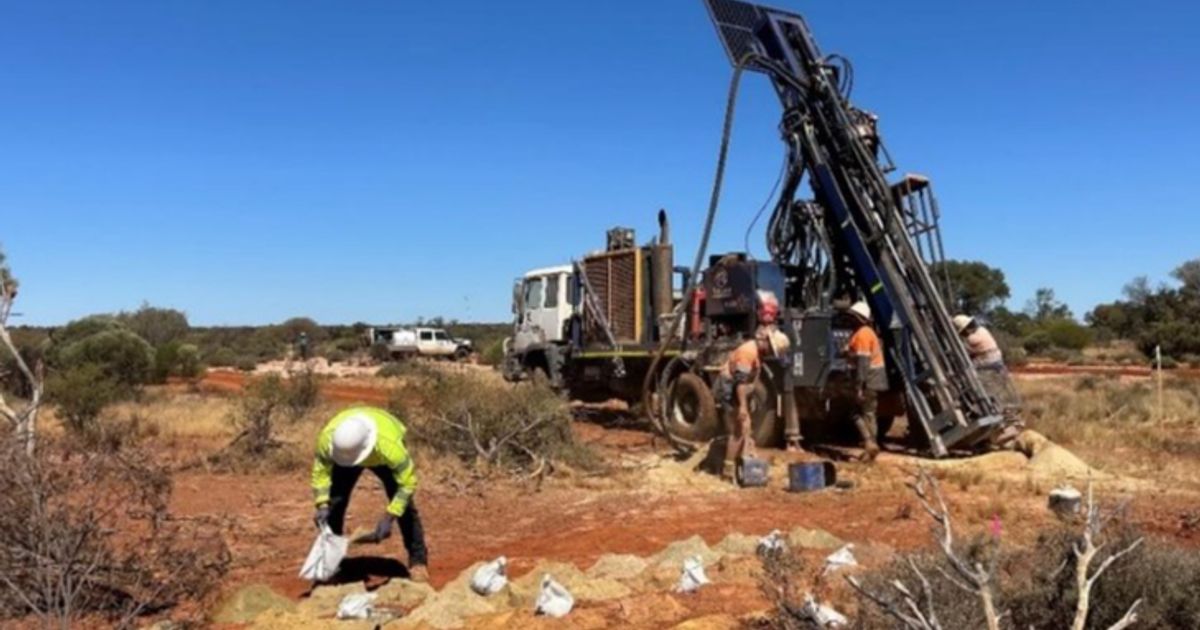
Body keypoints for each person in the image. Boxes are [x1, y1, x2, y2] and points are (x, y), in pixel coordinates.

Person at [311, 406, 429, 582]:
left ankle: (418, 561)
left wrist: (390, 515)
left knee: (405, 508)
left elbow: (407, 484)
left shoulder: (389, 446)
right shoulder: (328, 440)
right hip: (346, 456)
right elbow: (320, 472)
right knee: (334, 503)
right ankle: (330, 564)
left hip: (381, 456)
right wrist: (322, 504)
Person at [717, 325, 790, 478]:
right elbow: (740, 384)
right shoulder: (748, 352)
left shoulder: (758, 352)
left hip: (739, 390)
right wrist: (743, 407)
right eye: (771, 349)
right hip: (731, 390)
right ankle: (728, 470)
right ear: (766, 341)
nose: (771, 353)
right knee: (739, 429)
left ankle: (744, 466)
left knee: (747, 428)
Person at [846, 301, 886, 460]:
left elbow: (862, 363)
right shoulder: (867, 332)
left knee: (859, 413)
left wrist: (859, 386)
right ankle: (871, 446)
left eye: (852, 317)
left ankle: (870, 444)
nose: (849, 319)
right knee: (869, 413)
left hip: (868, 380)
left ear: (858, 318)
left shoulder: (862, 334)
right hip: (874, 379)